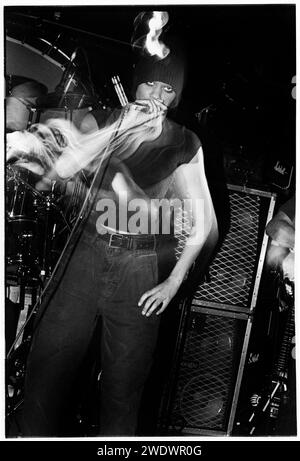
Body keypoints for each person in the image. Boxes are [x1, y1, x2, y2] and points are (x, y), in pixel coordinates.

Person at [10, 49, 218, 437]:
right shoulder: (102, 119)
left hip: (138, 269)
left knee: (124, 387)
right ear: (135, 80)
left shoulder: (185, 142)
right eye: (151, 81)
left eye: (169, 87)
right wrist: (119, 129)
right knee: (47, 371)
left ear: (177, 97)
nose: (157, 93)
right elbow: (64, 169)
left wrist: (172, 282)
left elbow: (202, 221)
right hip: (85, 256)